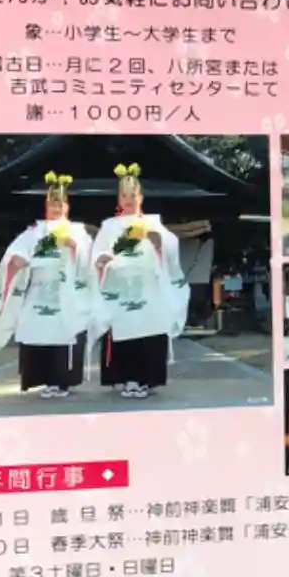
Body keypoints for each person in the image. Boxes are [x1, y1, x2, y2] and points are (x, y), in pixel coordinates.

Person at [0, 170, 92, 399]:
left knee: (63, 331)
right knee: (34, 327)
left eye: (60, 204)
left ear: (67, 206)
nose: (56, 208)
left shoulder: (77, 231)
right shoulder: (34, 232)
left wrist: (74, 247)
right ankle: (43, 378)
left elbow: (87, 260)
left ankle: (61, 381)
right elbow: (17, 252)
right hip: (39, 288)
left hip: (65, 289)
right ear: (46, 206)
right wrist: (17, 262)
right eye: (52, 204)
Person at [93, 163, 190, 400]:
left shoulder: (152, 222)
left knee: (150, 331)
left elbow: (170, 246)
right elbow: (99, 252)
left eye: (133, 195)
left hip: (149, 288)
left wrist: (157, 241)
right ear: (119, 198)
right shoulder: (109, 226)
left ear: (141, 197)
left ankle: (148, 378)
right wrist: (102, 260)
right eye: (124, 195)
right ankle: (128, 378)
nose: (129, 200)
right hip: (121, 287)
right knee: (125, 331)